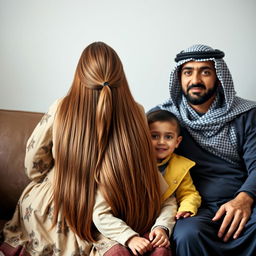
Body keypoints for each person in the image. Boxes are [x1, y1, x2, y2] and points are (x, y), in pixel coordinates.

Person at [0, 42, 176, 256]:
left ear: (81, 75)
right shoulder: (137, 111)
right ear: (119, 75)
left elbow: (33, 167)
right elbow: (141, 163)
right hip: (116, 203)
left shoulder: (61, 107)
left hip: (58, 205)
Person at [153, 44, 256, 255]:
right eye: (188, 72)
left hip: (244, 199)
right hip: (191, 207)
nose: (196, 80)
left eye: (205, 72)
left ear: (219, 78)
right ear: (179, 78)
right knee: (188, 234)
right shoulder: (163, 119)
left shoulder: (247, 115)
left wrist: (244, 199)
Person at [147, 110, 201, 220]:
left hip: (163, 215)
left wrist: (187, 208)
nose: (161, 142)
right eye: (155, 136)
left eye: (168, 137)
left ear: (177, 142)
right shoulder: (136, 161)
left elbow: (188, 194)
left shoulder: (181, 166)